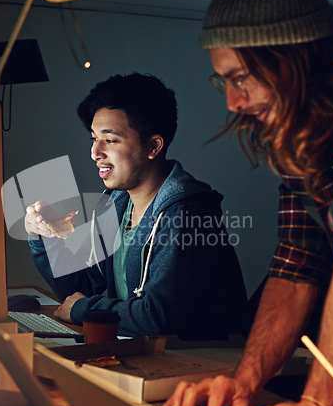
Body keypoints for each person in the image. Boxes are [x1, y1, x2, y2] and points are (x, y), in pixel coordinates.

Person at [161, 0, 333, 406]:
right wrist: (244, 384)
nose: (234, 102)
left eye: (243, 78)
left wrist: (318, 404)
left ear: (295, 56)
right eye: (224, 81)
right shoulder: (304, 125)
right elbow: (297, 262)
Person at [24, 73, 247, 340]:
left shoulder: (186, 215)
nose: (95, 152)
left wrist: (83, 310)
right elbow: (79, 290)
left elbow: (157, 317)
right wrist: (44, 237)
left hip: (205, 364)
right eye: (94, 138)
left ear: (153, 146)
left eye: (110, 139)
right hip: (151, 356)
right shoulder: (116, 206)